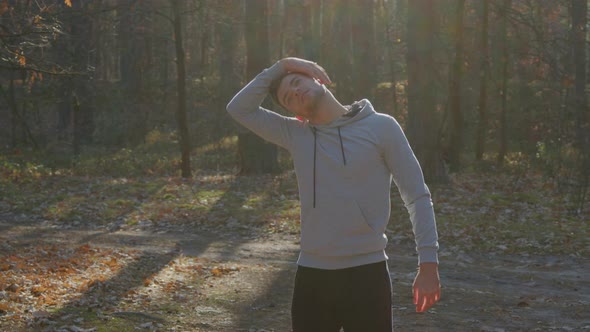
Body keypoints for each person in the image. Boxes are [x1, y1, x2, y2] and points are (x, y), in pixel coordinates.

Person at [227, 57, 440, 332]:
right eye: (288, 98)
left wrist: (428, 263)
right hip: (313, 277)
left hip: (367, 274)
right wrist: (282, 66)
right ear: (296, 113)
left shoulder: (381, 127)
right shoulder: (295, 134)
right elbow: (238, 109)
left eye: (296, 82)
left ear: (317, 78)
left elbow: (417, 196)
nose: (295, 93)